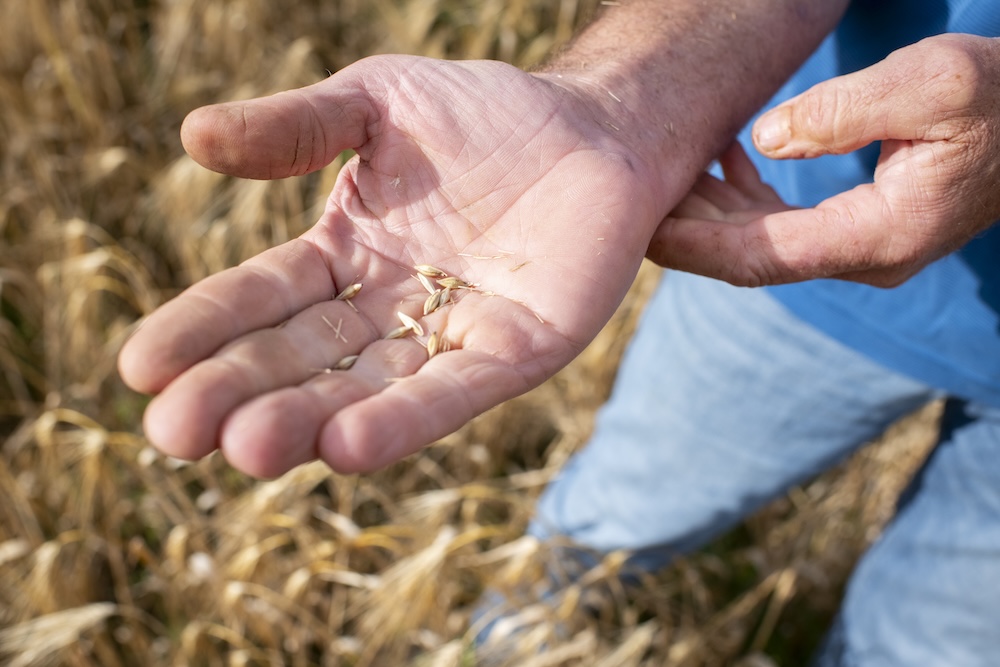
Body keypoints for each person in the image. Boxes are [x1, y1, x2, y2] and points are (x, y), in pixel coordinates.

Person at [118, 0, 1000, 664]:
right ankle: (506, 642)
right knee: (616, 516)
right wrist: (613, 106)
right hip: (790, 235)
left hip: (796, 229)